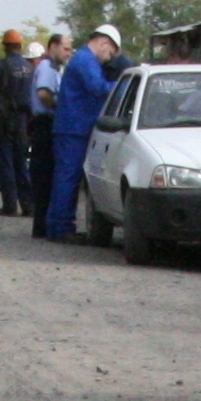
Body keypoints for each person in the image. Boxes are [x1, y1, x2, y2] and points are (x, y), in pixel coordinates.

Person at [43, 24, 118, 241]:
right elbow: (98, 87)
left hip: (72, 127)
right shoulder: (86, 60)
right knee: (68, 178)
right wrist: (123, 84)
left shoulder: (83, 59)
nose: (109, 58)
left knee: (65, 177)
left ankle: (57, 226)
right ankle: (62, 228)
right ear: (103, 43)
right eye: (110, 52)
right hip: (74, 129)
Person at [0, 29, 38, 216]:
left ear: (5, 46)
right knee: (21, 164)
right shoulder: (29, 69)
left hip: (4, 123)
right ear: (20, 46)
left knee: (6, 164)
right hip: (23, 123)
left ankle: (10, 205)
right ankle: (28, 206)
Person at [27, 34, 69, 233]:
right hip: (45, 124)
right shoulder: (47, 67)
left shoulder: (53, 69)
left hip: (44, 124)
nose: (68, 53)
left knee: (45, 176)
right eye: (65, 48)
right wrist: (58, 107)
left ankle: (42, 224)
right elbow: (44, 93)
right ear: (53, 46)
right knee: (44, 177)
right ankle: (42, 225)